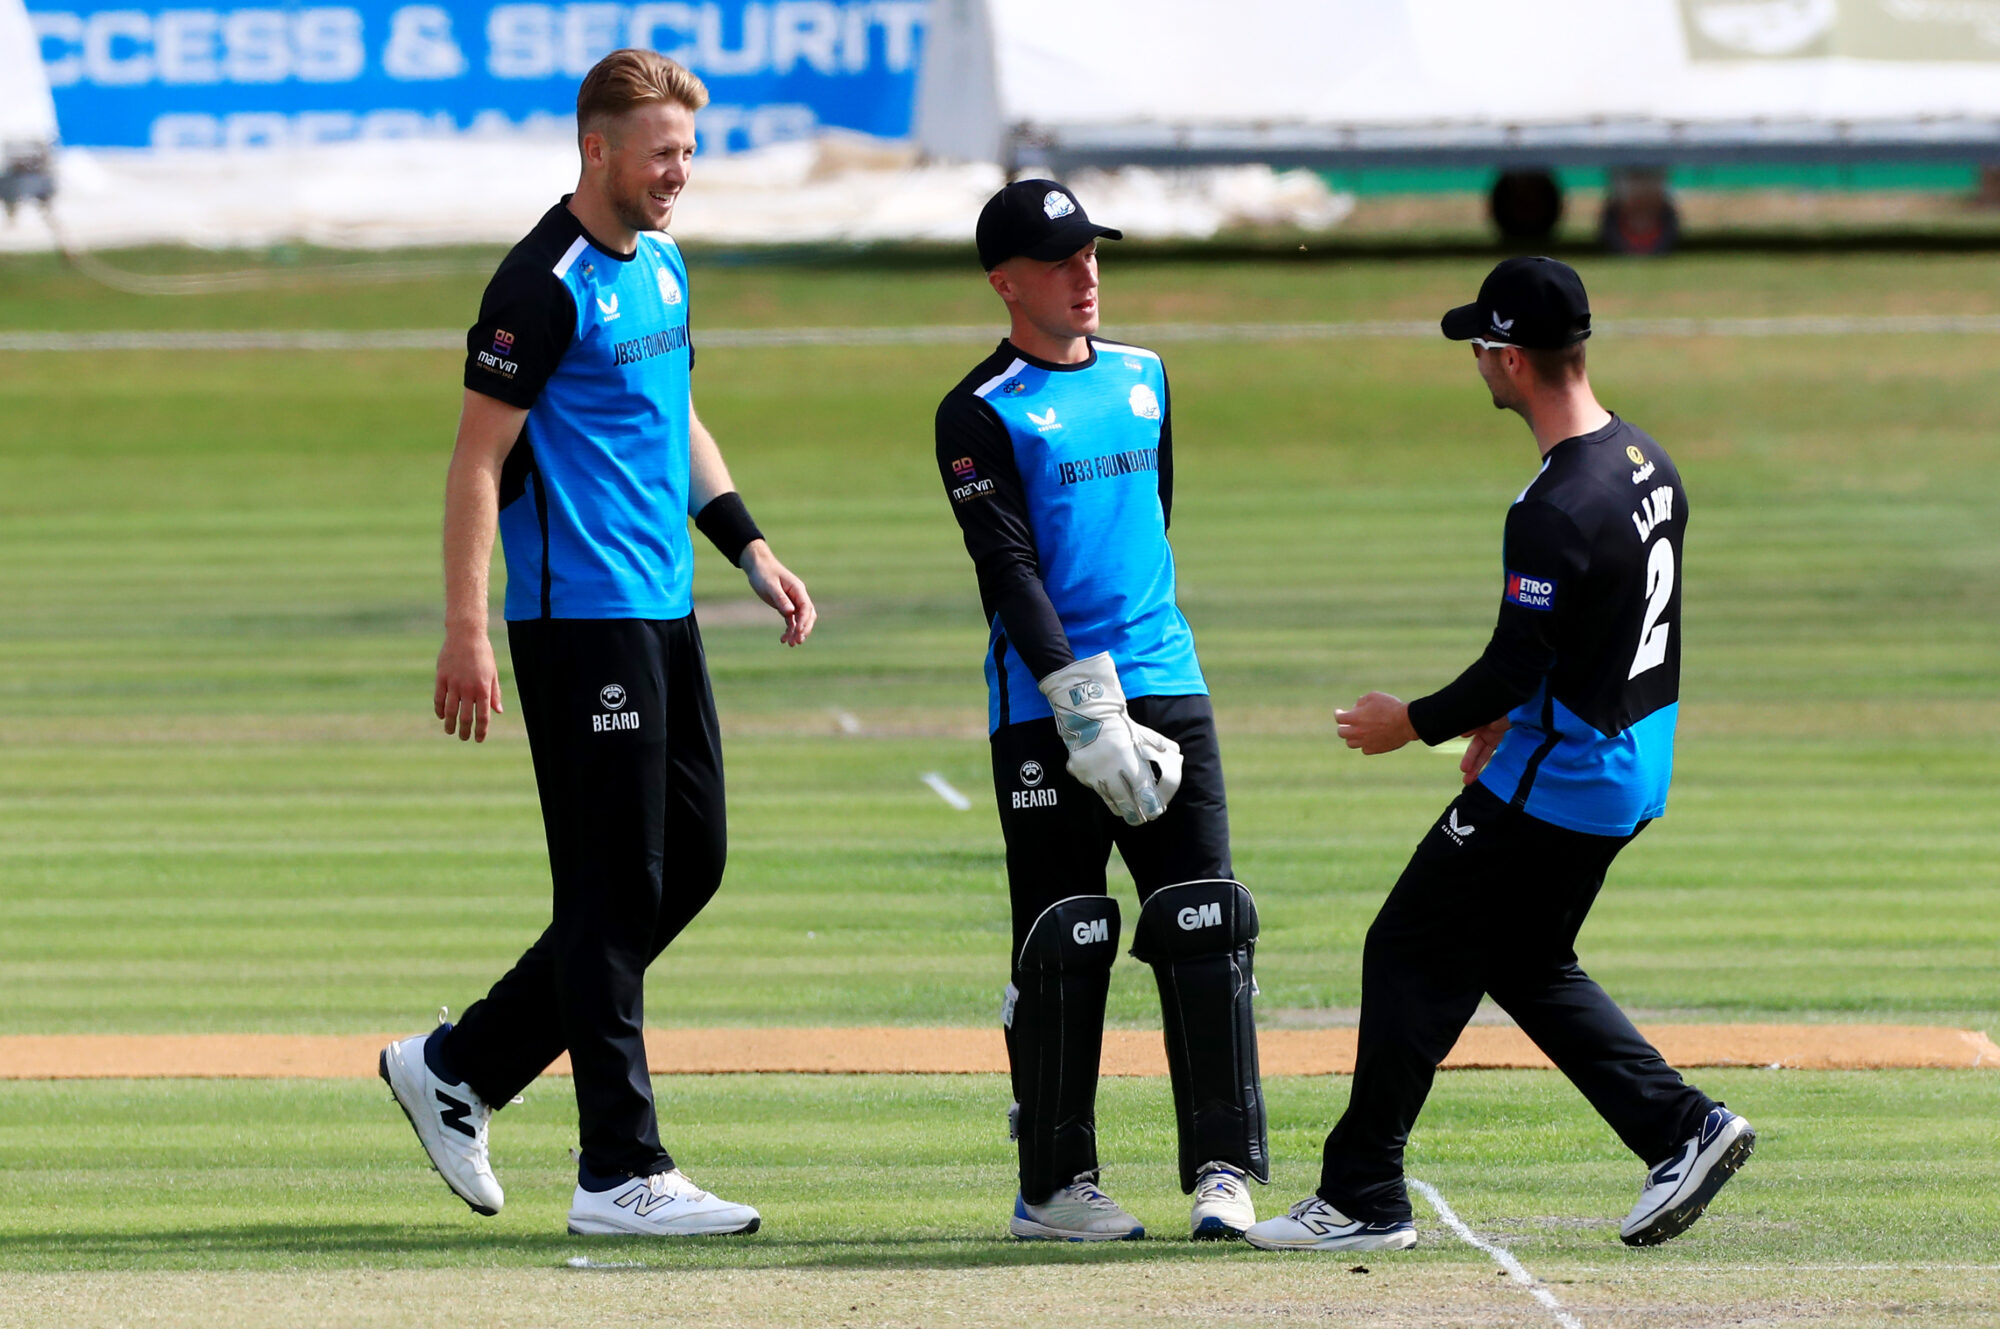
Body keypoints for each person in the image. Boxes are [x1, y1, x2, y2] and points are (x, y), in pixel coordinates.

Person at [378, 48, 815, 1240]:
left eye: (688, 151)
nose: (679, 172)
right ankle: (618, 1170)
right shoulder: (539, 284)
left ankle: (459, 1066)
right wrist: (465, 627)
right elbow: (475, 462)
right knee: (611, 887)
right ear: (596, 150)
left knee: (689, 863)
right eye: (661, 153)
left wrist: (747, 545)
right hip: (575, 621)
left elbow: (674, 419)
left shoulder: (663, 266)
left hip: (662, 608)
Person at [1246, 257, 1752, 1253]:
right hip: (1630, 762)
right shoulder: (1645, 460)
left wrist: (1411, 721)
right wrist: (1508, 716)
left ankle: (1362, 1197)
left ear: (1512, 359)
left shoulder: (1553, 505)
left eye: (1480, 346)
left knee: (1406, 944)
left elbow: (1516, 659)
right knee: (1520, 959)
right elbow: (1592, 631)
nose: (1475, 361)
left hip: (1563, 776)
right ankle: (1679, 1129)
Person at [934, 180, 1268, 1242]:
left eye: (1091, 253)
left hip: (1167, 679)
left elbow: (1149, 521)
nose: (1084, 274)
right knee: (1063, 939)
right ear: (1005, 282)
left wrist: (1132, 691)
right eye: (1058, 261)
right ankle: (1053, 1186)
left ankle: (1222, 1169)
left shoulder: (1143, 376)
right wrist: (1082, 708)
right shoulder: (977, 411)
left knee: (1205, 922)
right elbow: (1010, 568)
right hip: (1047, 708)